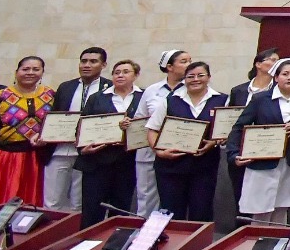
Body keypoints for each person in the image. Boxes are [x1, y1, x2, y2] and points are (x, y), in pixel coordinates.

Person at [229, 58, 290, 224]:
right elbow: (239, 127)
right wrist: (233, 154)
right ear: (276, 78)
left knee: (283, 206)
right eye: (285, 74)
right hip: (263, 161)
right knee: (260, 208)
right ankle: (256, 243)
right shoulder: (260, 99)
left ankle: (277, 243)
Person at [145, 61, 225, 222]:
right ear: (184, 79)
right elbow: (152, 129)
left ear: (209, 77)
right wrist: (159, 151)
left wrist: (214, 142)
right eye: (190, 76)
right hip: (170, 167)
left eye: (200, 75)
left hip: (204, 168)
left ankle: (200, 247)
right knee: (171, 212)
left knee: (201, 210)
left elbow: (226, 132)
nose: (196, 79)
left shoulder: (222, 100)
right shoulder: (170, 100)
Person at [0, 56, 53, 208]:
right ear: (16, 72)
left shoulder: (51, 95)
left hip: (34, 159)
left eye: (36, 69)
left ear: (42, 73)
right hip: (2, 157)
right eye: (25, 69)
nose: (30, 73)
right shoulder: (0, 96)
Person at [77, 60, 143, 226]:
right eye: (116, 72)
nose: (120, 75)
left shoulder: (143, 97)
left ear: (135, 75)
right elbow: (82, 126)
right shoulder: (97, 98)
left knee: (121, 207)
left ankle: (115, 243)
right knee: (92, 208)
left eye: (125, 72)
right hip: (97, 161)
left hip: (128, 162)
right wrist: (84, 148)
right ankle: (87, 243)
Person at [45, 47, 110, 213]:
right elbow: (55, 115)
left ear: (103, 65)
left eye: (93, 61)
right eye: (83, 61)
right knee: (52, 200)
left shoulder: (109, 88)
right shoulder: (66, 87)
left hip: (91, 154)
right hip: (61, 150)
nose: (86, 65)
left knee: (80, 202)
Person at [226, 48, 279, 215]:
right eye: (271, 59)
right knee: (239, 195)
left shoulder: (278, 90)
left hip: (265, 150)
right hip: (239, 149)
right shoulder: (238, 90)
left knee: (261, 199)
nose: (275, 62)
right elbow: (230, 118)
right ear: (258, 64)